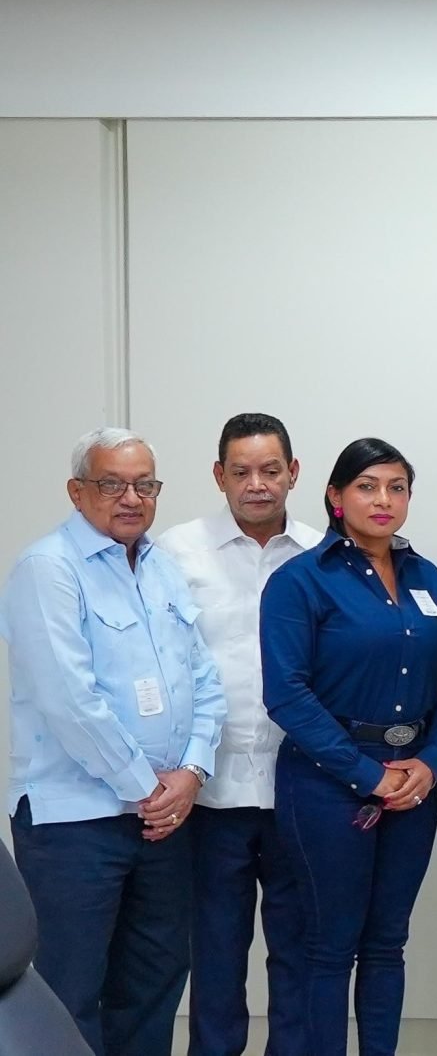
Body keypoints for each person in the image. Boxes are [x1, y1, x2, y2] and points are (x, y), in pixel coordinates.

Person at [4, 428, 223, 1056]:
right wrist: (149, 787)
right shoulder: (47, 569)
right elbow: (69, 701)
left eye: (144, 484)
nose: (131, 497)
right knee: (68, 992)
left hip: (161, 821)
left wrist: (192, 772)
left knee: (154, 983)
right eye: (111, 484)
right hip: (76, 824)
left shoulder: (161, 567)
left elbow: (203, 679)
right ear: (78, 492)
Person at [259, 438, 437, 1056]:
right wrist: (366, 775)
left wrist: (429, 763)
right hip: (326, 786)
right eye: (367, 486)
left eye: (397, 487)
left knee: (386, 943)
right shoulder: (300, 581)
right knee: (329, 946)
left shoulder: (429, 577)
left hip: (413, 787)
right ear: (335, 496)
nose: (383, 500)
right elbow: (287, 695)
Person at [158, 413, 325, 1056]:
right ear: (219, 476)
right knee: (217, 957)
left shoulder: (320, 554)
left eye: (270, 470)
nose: (257, 484)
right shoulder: (177, 550)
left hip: (299, 788)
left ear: (293, 473)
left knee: (298, 951)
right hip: (209, 792)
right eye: (241, 471)